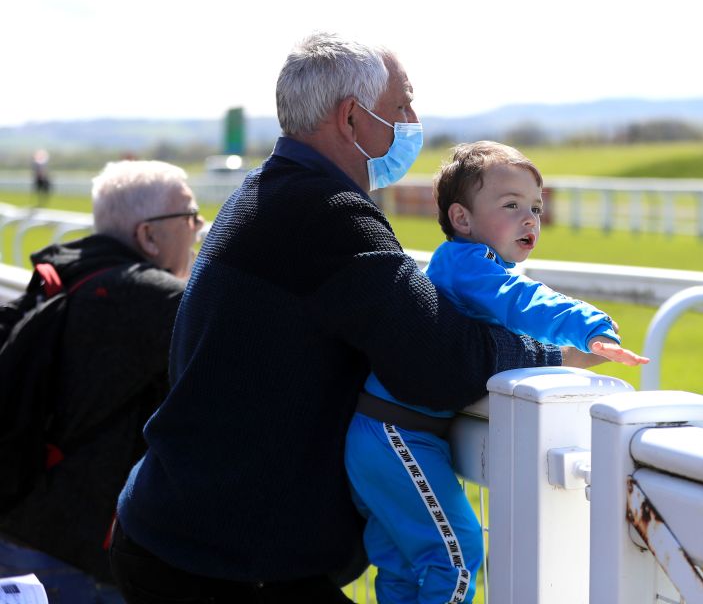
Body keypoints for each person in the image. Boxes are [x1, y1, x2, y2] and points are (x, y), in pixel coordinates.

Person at [109, 32, 593, 604]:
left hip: (190, 533)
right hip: (220, 559)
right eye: (402, 106)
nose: (414, 120)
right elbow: (437, 357)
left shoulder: (276, 192)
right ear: (352, 120)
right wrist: (553, 354)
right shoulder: (324, 212)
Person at [345, 141, 646, 603]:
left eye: (536, 208)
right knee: (459, 557)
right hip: (398, 435)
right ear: (462, 219)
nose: (530, 219)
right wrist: (589, 325)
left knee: (404, 567)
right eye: (512, 206)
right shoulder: (469, 265)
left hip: (384, 431)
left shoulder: (469, 265)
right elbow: (523, 301)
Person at [0, 160, 204, 602]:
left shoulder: (67, 268)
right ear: (148, 234)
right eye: (189, 215)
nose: (199, 226)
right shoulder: (157, 299)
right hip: (77, 556)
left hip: (21, 523)